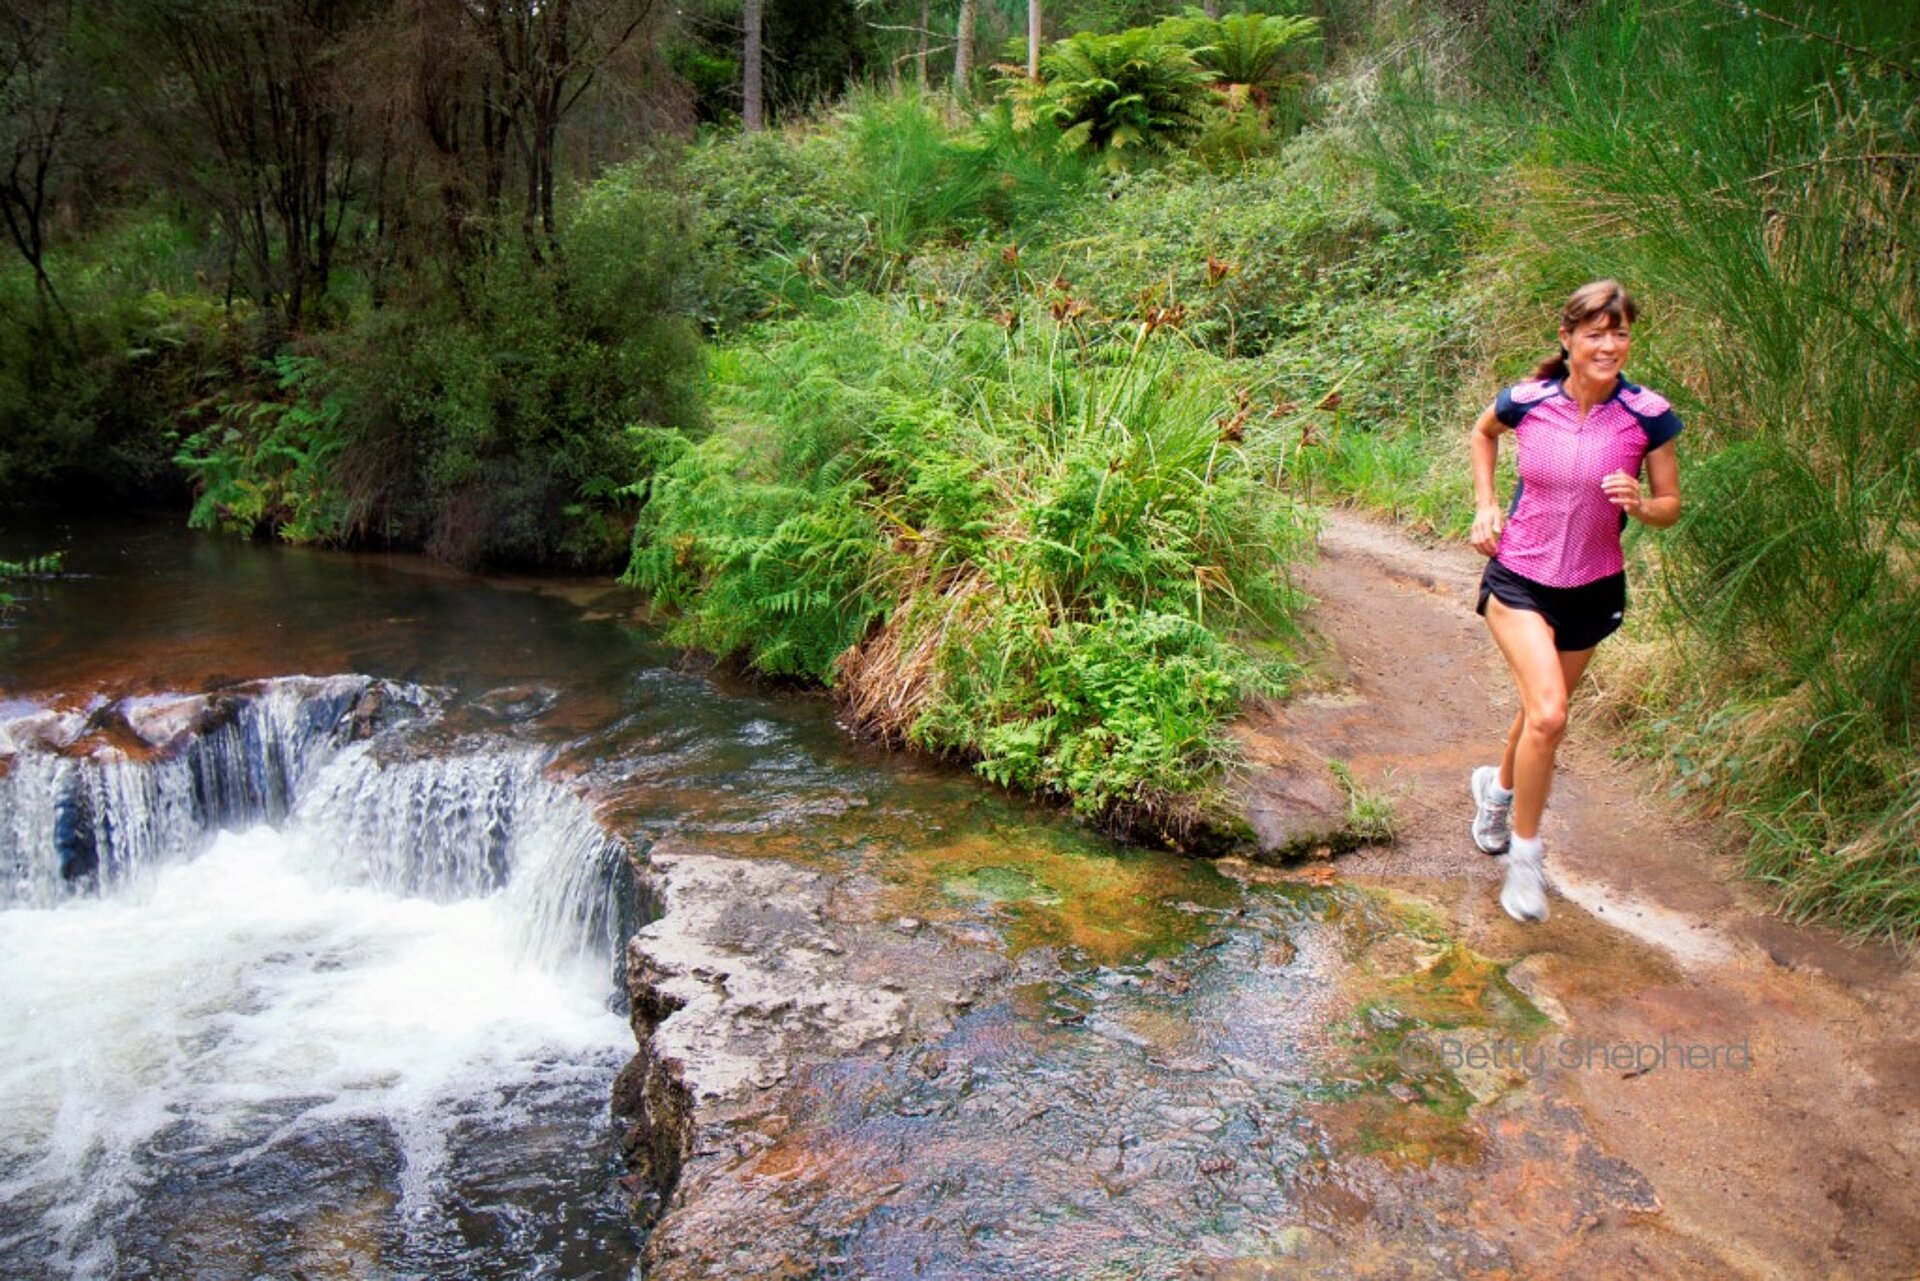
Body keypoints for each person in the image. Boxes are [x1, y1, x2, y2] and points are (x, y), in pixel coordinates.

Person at [1466, 280, 1683, 923]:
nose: (1609, 345)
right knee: (1552, 715)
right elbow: (1483, 435)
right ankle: (1526, 863)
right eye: (1595, 333)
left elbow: (1670, 506)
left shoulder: (1648, 415)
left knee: (1540, 714)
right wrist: (1485, 504)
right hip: (1520, 577)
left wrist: (1643, 505)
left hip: (1593, 586)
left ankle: (1496, 793)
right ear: (1567, 339)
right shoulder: (1528, 401)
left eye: (1619, 333)